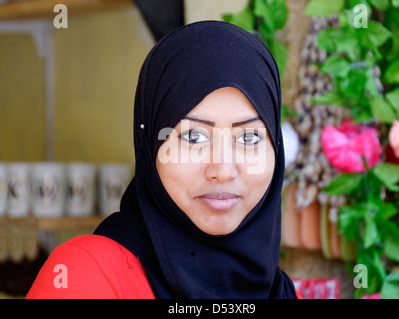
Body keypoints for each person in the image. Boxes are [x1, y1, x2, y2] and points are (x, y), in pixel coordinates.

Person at [27, 20, 301, 299]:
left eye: (248, 138)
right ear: (150, 145)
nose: (222, 170)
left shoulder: (282, 293)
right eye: (194, 137)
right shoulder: (84, 275)